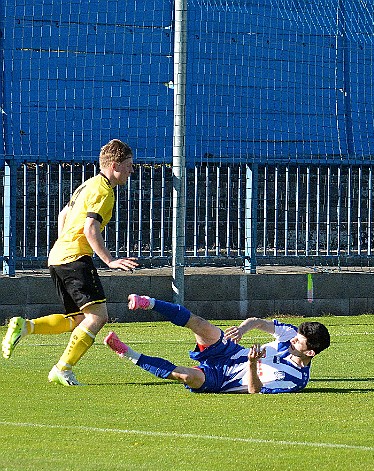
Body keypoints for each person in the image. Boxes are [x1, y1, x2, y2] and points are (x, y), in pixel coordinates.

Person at [1, 139, 139, 386]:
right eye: (129, 165)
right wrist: (109, 260)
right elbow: (90, 228)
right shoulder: (104, 191)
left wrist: (62, 243)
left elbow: (63, 214)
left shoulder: (87, 185)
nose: (132, 170)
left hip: (59, 257)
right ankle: (62, 368)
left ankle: (25, 326)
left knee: (77, 319)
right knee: (97, 317)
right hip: (75, 258)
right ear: (116, 165)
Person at [103, 294, 331, 394]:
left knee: (187, 376)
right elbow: (258, 322)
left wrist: (252, 364)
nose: (293, 338)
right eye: (296, 334)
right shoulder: (288, 335)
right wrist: (243, 329)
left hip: (222, 380)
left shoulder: (295, 380)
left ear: (310, 351)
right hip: (230, 352)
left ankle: (128, 353)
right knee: (202, 325)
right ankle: (149, 303)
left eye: (298, 340)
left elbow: (255, 391)